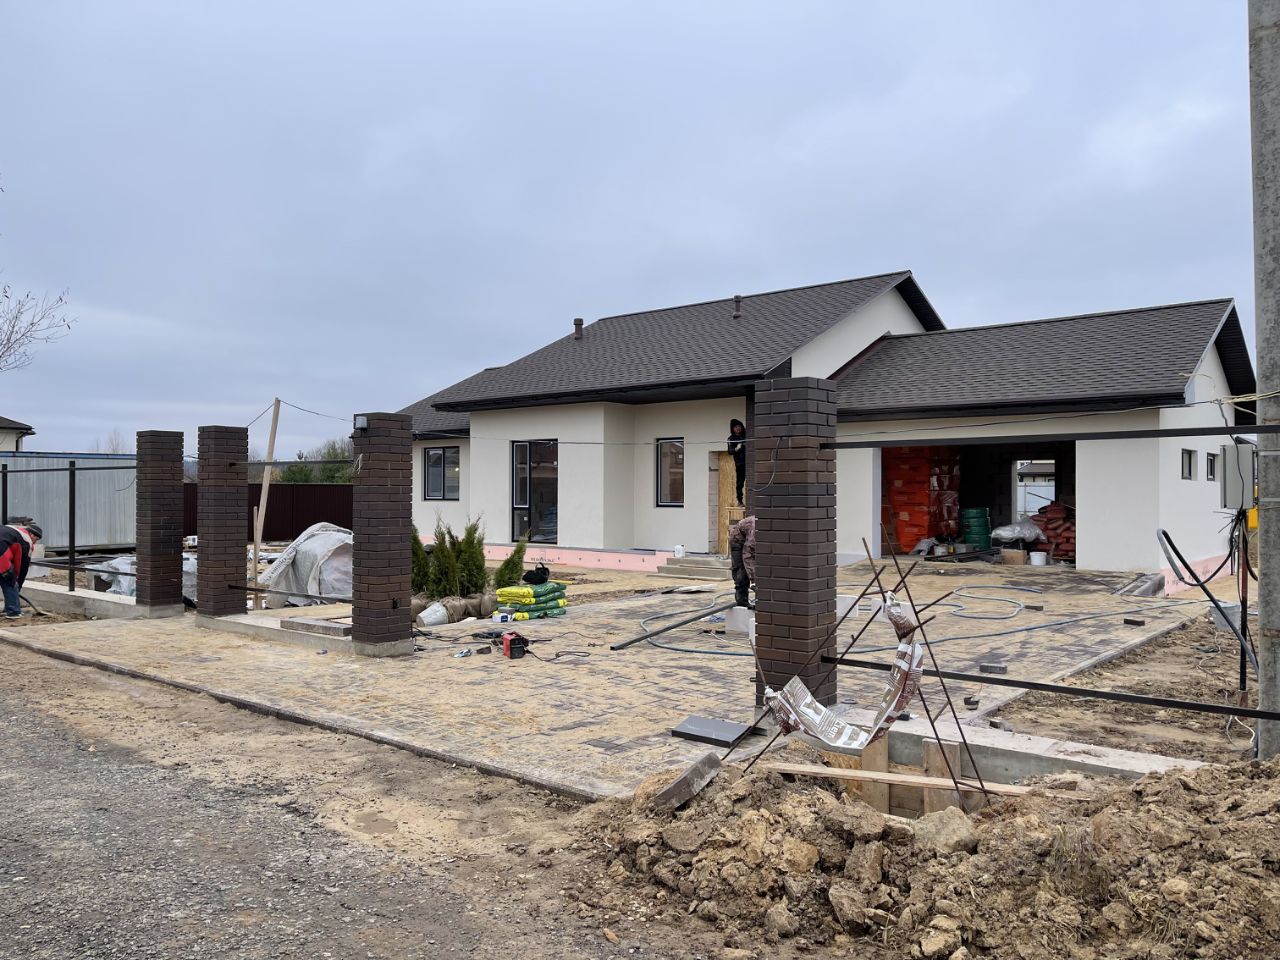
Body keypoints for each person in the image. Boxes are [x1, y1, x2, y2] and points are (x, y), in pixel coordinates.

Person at [0, 522, 41, 619]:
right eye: (36, 539)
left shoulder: (12, 529)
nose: (35, 543)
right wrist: (18, 584)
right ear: (31, 535)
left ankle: (9, 608)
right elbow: (23, 567)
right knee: (10, 582)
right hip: (1, 556)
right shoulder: (27, 541)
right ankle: (13, 612)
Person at [729, 514, 756, 607]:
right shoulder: (754, 531)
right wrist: (754, 580)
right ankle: (742, 601)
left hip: (748, 536)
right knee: (741, 570)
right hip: (737, 540)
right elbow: (748, 555)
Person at [727, 418, 747, 505]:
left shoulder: (745, 436)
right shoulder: (731, 438)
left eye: (739, 426)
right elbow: (729, 451)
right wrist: (736, 448)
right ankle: (739, 500)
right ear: (733, 429)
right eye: (735, 427)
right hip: (740, 464)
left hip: (749, 462)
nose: (738, 428)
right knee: (740, 482)